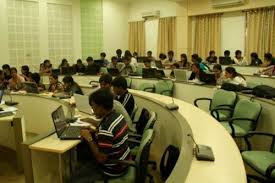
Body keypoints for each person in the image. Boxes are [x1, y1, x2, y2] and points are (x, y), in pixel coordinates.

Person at [72, 88, 130, 182]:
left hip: (113, 168)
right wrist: (93, 127)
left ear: (101, 107)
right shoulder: (117, 115)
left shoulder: (106, 129)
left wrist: (89, 138)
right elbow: (107, 132)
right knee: (82, 149)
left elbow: (101, 159)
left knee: (74, 180)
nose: (92, 109)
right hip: (123, 159)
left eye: (93, 106)